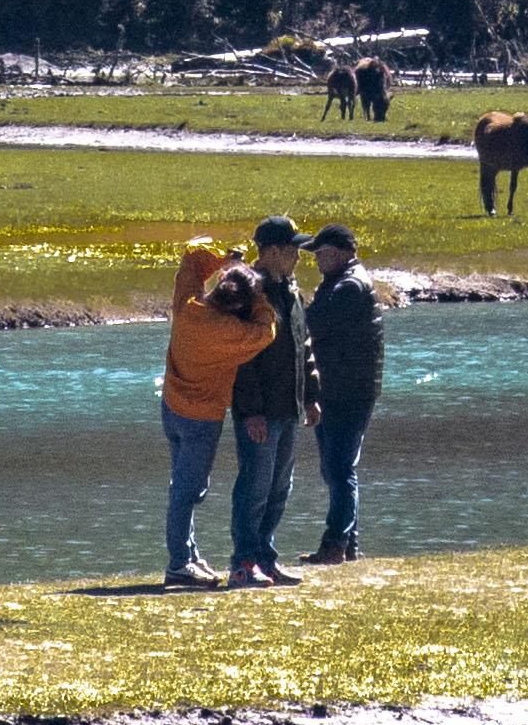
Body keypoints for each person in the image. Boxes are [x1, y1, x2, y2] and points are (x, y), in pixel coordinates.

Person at [154, 235, 276, 590]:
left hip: (172, 407)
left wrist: (225, 257)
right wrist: (260, 295)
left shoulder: (188, 307)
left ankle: (188, 556)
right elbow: (266, 330)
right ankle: (179, 563)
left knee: (184, 486)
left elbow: (191, 258)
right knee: (187, 491)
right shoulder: (228, 331)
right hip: (202, 417)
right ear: (240, 304)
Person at [223, 213, 314, 585]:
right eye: (293, 250)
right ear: (272, 251)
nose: (299, 257)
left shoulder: (290, 290)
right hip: (259, 411)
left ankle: (265, 557)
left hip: (288, 406)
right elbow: (240, 358)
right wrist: (251, 411)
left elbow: (303, 346)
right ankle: (244, 562)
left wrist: (311, 395)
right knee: (255, 487)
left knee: (279, 487)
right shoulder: (248, 291)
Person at [296, 222, 387, 564]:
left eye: (324, 253)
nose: (318, 260)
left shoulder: (348, 286)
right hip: (345, 386)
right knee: (338, 468)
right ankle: (346, 543)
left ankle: (337, 542)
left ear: (345, 253)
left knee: (339, 468)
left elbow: (313, 323)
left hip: (347, 390)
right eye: (317, 254)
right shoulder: (345, 281)